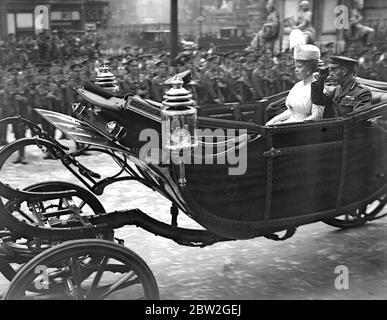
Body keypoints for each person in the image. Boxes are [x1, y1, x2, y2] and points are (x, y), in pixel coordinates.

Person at [266, 44, 324, 125]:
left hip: (302, 129)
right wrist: (274, 120)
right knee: (245, 133)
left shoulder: (317, 87)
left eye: (299, 67)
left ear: (310, 69)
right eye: (295, 67)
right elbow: (292, 111)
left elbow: (317, 116)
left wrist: (284, 125)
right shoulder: (297, 86)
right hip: (289, 123)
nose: (296, 70)